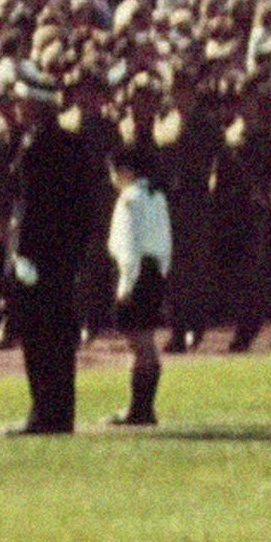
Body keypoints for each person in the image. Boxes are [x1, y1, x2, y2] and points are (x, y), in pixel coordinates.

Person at [7, 62, 91, 435]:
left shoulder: (34, 146)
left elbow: (29, 208)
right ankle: (61, 412)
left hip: (38, 257)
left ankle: (43, 412)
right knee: (60, 336)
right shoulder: (72, 144)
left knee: (39, 336)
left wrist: (20, 254)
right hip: (63, 256)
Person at [105, 139, 173, 426]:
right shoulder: (157, 196)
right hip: (155, 270)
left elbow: (129, 247)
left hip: (137, 273)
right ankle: (143, 407)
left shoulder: (130, 199)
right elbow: (167, 240)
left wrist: (126, 284)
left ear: (126, 171)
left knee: (140, 343)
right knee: (147, 341)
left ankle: (139, 408)